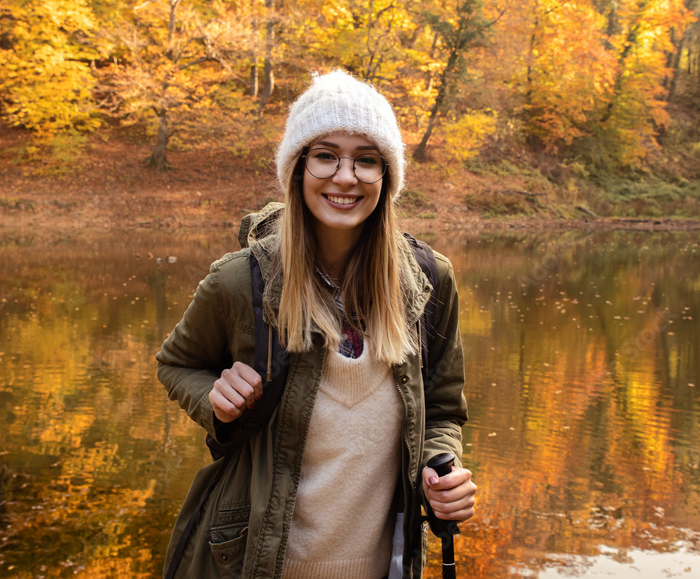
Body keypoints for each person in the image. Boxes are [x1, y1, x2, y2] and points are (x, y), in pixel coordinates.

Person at [156, 69, 475, 579]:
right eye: (326, 155)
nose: (345, 177)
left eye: (366, 160)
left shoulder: (431, 281)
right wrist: (216, 397)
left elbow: (441, 408)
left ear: (386, 177)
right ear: (299, 168)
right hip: (252, 562)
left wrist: (443, 470)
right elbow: (176, 364)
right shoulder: (243, 281)